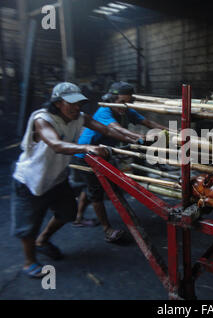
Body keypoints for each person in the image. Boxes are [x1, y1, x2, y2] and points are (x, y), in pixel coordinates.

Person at [11, 82, 139, 278]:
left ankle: (43, 240)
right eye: (71, 103)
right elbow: (55, 144)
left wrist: (137, 140)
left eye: (79, 103)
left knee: (68, 213)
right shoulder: (43, 118)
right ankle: (29, 262)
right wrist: (86, 148)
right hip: (29, 180)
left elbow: (107, 131)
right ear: (57, 103)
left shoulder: (80, 117)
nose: (76, 107)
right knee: (28, 225)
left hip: (56, 178)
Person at [71, 81, 168, 242]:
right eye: (122, 102)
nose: (125, 106)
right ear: (111, 99)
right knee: (97, 192)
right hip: (87, 154)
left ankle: (78, 217)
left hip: (104, 153)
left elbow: (149, 123)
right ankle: (107, 229)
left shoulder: (126, 110)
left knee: (92, 186)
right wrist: (137, 137)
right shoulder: (104, 110)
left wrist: (169, 131)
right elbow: (117, 129)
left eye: (129, 102)